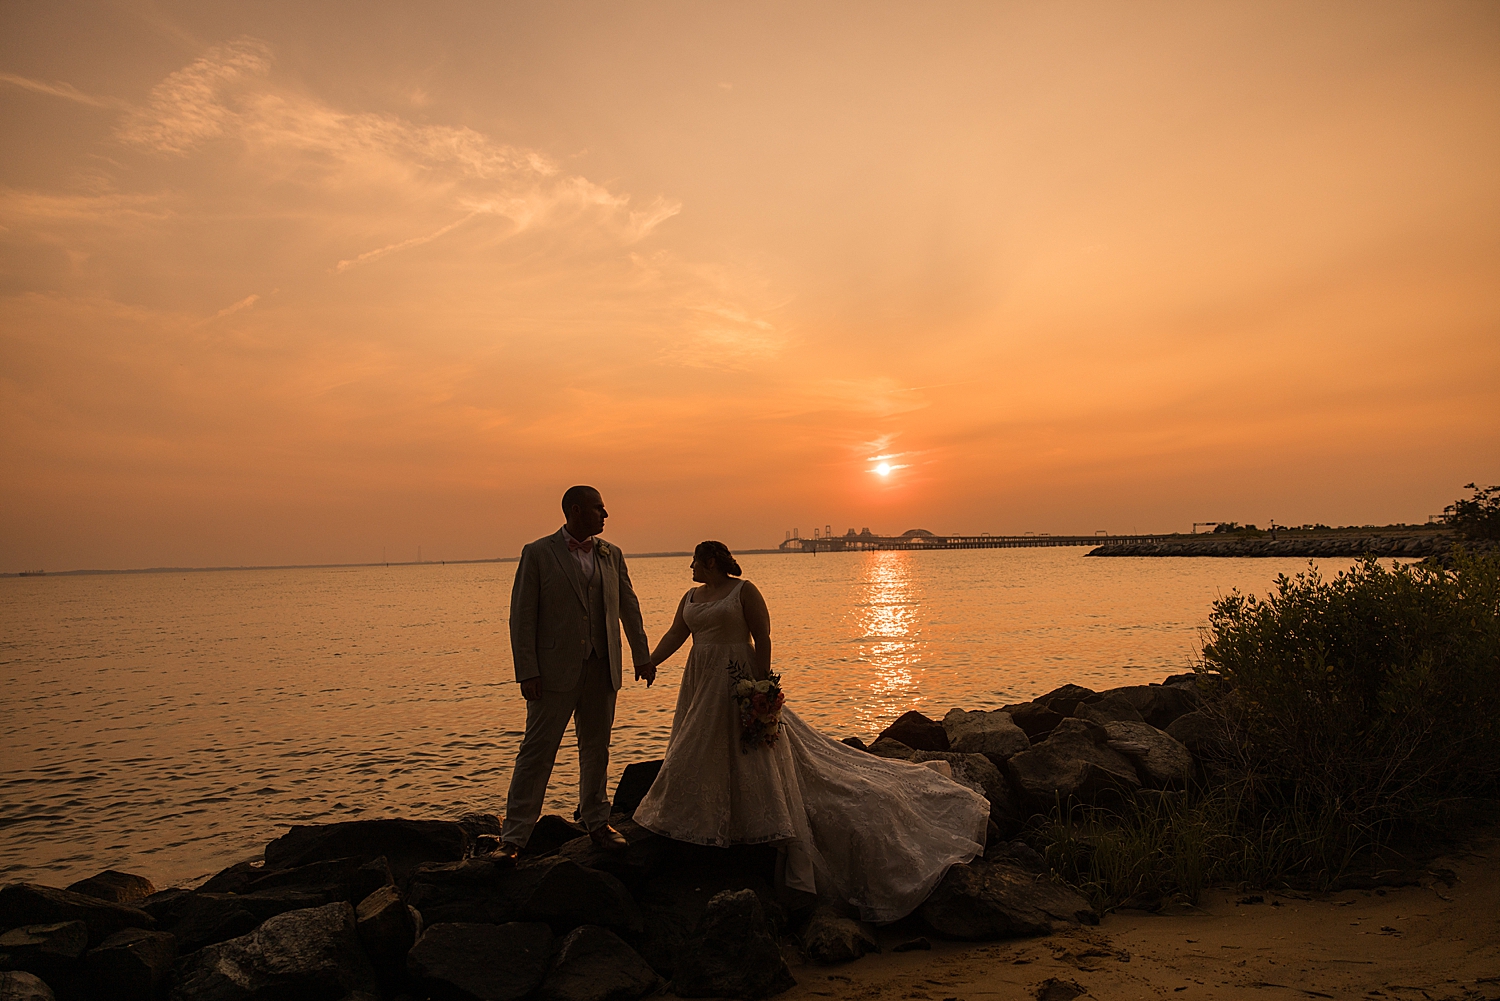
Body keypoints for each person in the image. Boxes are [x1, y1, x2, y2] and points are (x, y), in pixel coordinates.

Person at [632, 541, 990, 922]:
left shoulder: (744, 590)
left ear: (712, 562)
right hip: (700, 677)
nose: (690, 567)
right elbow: (676, 633)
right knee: (698, 742)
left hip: (737, 674)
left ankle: (756, 824)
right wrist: (651, 660)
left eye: (695, 561)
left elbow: (763, 636)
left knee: (748, 748)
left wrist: (761, 687)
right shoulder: (691, 596)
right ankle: (703, 818)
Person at [494, 485, 653, 860]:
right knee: (536, 752)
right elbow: (522, 616)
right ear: (576, 510)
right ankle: (514, 838)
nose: (606, 514)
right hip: (552, 672)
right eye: (599, 508)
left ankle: (597, 822)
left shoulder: (611, 554)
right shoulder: (537, 553)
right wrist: (527, 671)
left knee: (597, 749)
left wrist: (641, 655)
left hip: (603, 667)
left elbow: (628, 606)